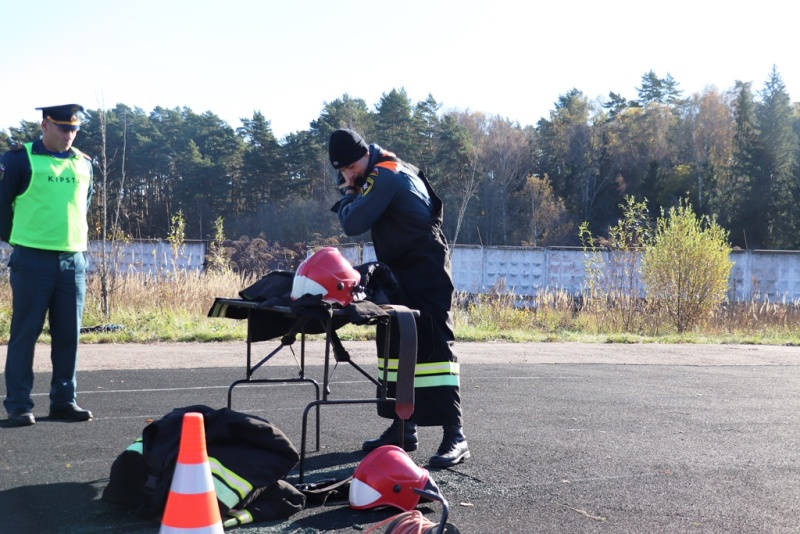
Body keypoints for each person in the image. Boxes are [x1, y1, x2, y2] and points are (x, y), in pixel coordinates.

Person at [328, 129, 469, 467]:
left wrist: (350, 192)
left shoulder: (385, 174)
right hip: (399, 268)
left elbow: (353, 222)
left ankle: (455, 435)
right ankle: (403, 427)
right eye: (343, 171)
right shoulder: (390, 168)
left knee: (434, 345)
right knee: (395, 342)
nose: (347, 176)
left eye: (349, 168)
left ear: (364, 155)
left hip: (424, 266)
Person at [0, 104, 94, 426]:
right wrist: (20, 240)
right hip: (32, 259)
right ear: (45, 125)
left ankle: (64, 402)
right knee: (25, 334)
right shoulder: (17, 159)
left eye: (74, 129)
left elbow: (84, 206)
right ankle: (18, 405)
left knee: (69, 335)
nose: (70, 134)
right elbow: (2, 207)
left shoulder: (84, 164)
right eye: (63, 128)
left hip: (73, 260)